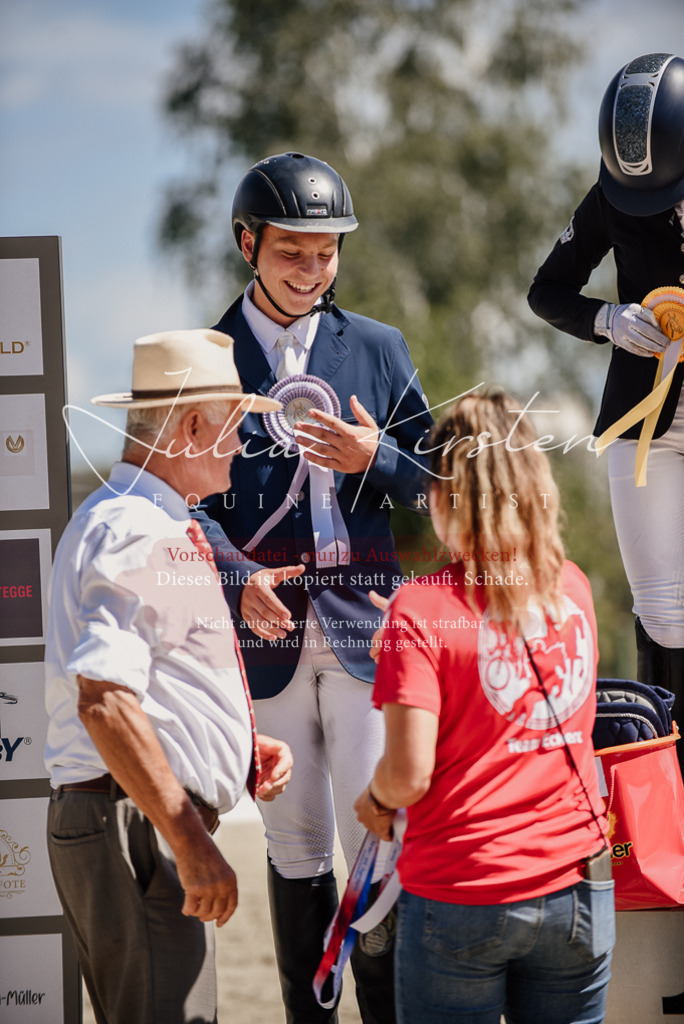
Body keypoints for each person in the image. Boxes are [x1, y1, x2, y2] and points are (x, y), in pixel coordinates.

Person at [196, 151, 434, 1024]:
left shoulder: (377, 348)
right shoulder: (209, 358)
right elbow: (183, 504)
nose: (312, 269)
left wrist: (379, 457)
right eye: (292, 251)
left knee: (379, 843)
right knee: (297, 852)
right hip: (265, 639)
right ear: (247, 244)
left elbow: (442, 493)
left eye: (327, 251)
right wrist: (236, 576)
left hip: (367, 624)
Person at [44, 328, 293, 1024]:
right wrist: (188, 839)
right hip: (140, 826)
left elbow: (136, 690)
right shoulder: (138, 529)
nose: (243, 448)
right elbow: (104, 700)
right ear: (189, 427)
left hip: (130, 817)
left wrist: (235, 749)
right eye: (236, 428)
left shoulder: (136, 521)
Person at [355, 389, 615, 1024]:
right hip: (577, 889)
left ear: (447, 495)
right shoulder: (573, 587)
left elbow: (408, 774)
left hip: (461, 889)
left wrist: (375, 803)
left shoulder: (420, 608)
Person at [527, 52, 684, 776]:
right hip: (641, 422)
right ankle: (670, 787)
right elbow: (548, 290)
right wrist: (610, 320)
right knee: (662, 608)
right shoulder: (614, 194)